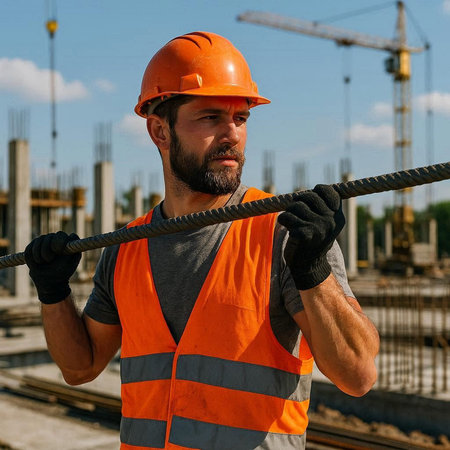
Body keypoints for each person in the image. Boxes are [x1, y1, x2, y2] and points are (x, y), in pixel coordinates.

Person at [25, 31, 379, 450]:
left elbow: (357, 376)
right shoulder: (127, 247)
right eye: (210, 117)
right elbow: (80, 368)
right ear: (159, 131)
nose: (232, 134)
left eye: (241, 119)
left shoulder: (284, 233)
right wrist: (53, 294)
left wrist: (314, 272)